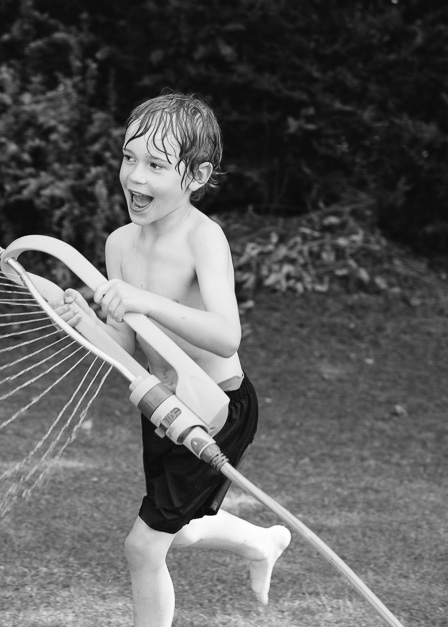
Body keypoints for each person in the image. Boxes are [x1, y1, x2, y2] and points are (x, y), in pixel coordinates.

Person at [54, 91, 291, 627]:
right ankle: (262, 542)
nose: (135, 177)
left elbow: (226, 336)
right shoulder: (119, 244)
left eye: (156, 165)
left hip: (216, 410)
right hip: (162, 409)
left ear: (196, 175)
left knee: (144, 546)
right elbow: (125, 350)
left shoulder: (204, 239)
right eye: (128, 157)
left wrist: (142, 300)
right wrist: (82, 322)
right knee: (179, 527)